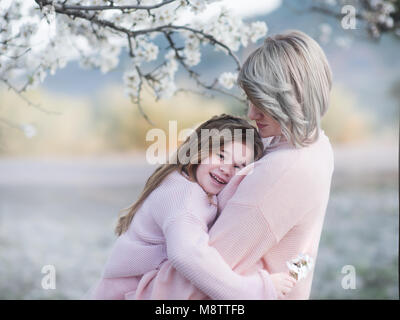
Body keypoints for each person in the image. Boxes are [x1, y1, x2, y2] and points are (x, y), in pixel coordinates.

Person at [129, 30, 334, 300]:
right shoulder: (319, 146)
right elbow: (303, 254)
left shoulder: (282, 170)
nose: (251, 113)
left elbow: (202, 276)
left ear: (294, 97)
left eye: (262, 103)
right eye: (250, 99)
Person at [89, 114, 296, 300]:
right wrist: (257, 290)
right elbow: (187, 254)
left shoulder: (192, 184)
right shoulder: (185, 196)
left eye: (238, 166)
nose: (226, 169)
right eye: (221, 156)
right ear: (199, 150)